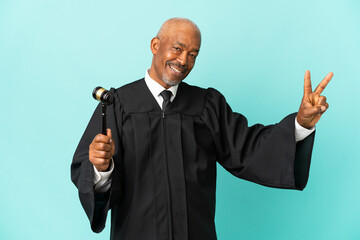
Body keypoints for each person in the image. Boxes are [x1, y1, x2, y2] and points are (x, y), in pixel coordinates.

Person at [71, 18, 332, 240]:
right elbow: (90, 170)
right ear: (155, 45)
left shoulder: (207, 105)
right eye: (177, 48)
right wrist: (101, 169)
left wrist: (301, 124)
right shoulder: (119, 104)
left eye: (193, 54)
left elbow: (248, 148)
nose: (183, 60)